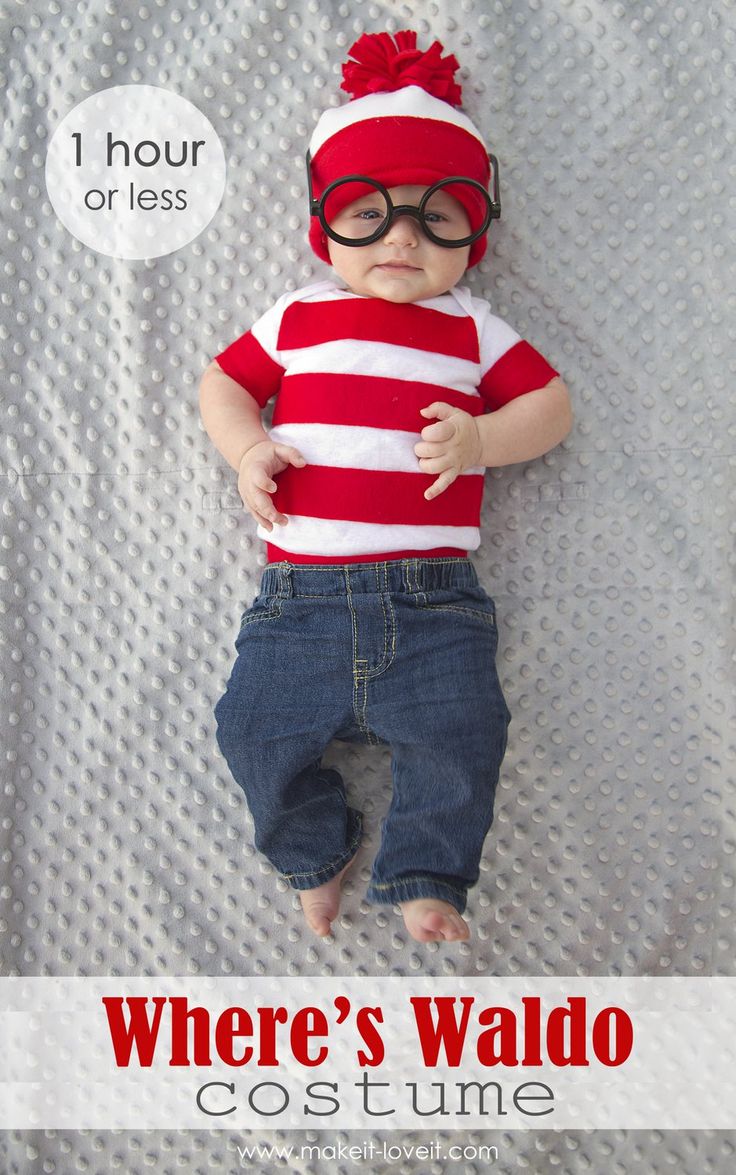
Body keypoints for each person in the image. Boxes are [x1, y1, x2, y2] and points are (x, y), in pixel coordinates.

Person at [200, 31, 572, 943]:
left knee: (463, 740)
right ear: (323, 224)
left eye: (436, 215)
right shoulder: (296, 314)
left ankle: (425, 875)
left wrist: (483, 435)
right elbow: (224, 383)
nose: (402, 236)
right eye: (369, 211)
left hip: (435, 604)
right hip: (300, 603)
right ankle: (313, 853)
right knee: (250, 732)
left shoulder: (472, 328)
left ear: (476, 234)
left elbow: (552, 407)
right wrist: (248, 448)